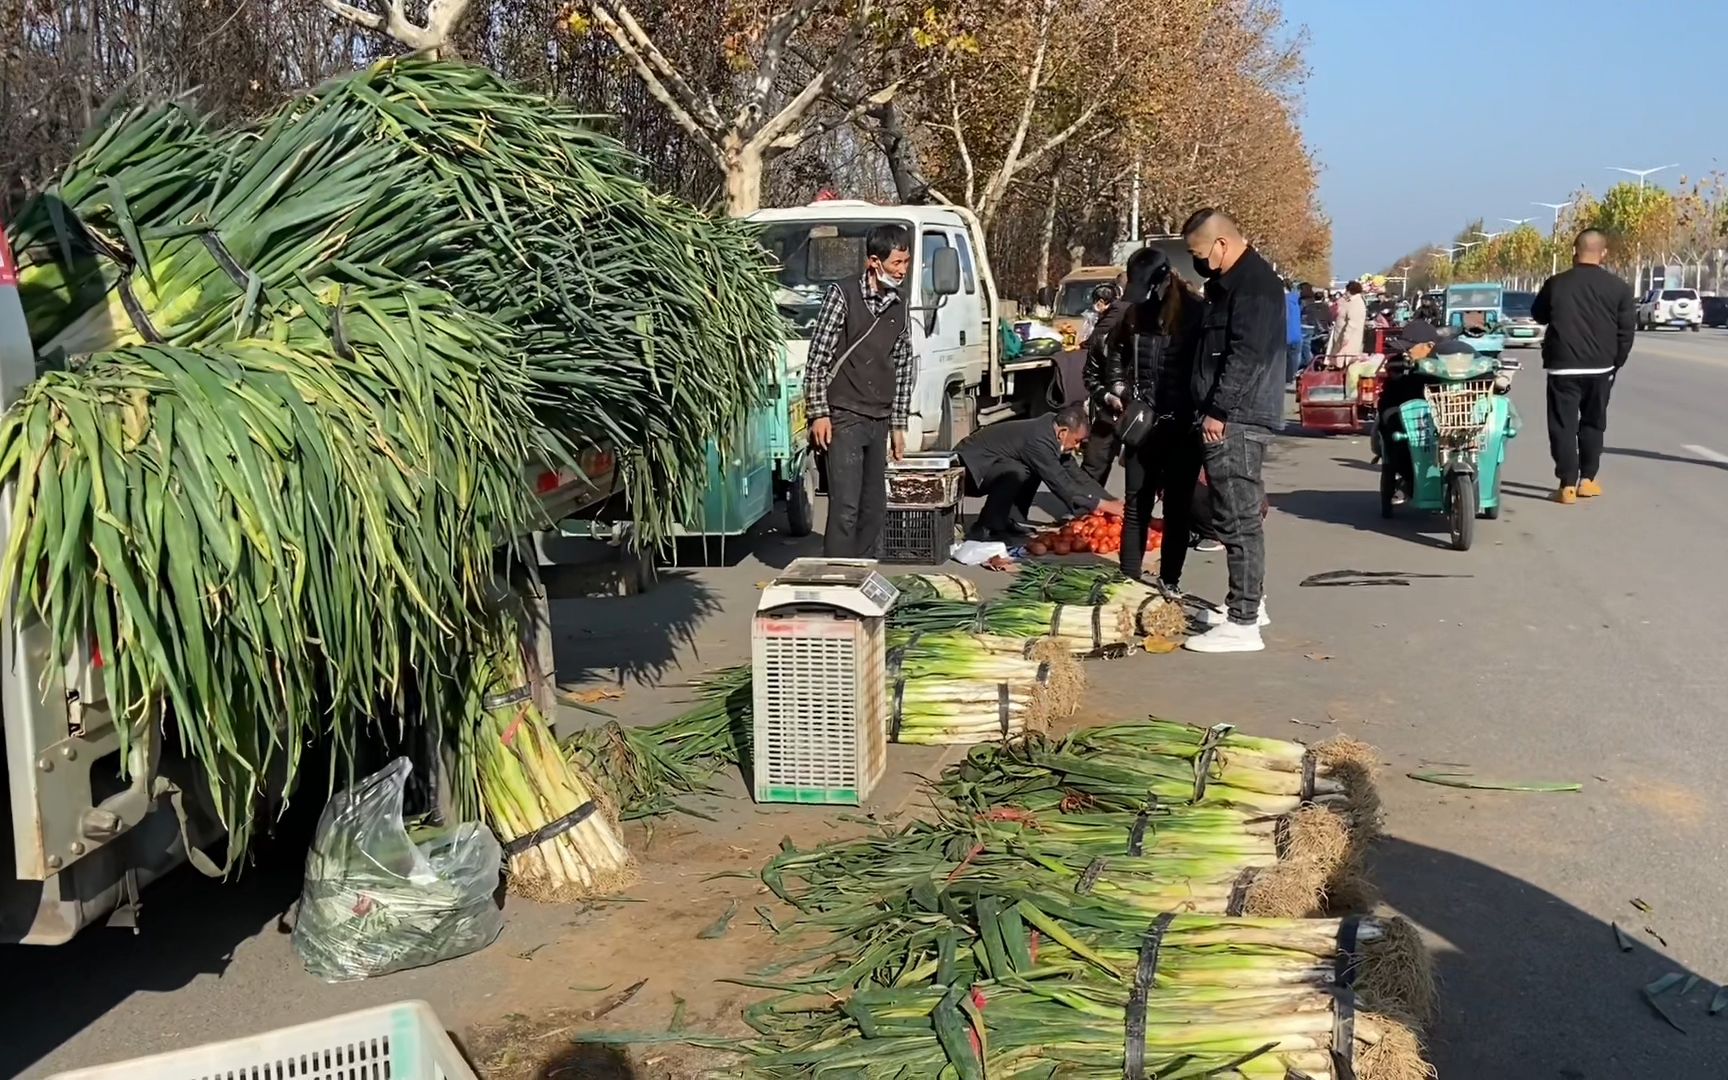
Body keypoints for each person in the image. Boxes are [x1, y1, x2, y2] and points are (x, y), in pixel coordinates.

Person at [1181, 207, 1287, 653]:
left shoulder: (1254, 286)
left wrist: (1219, 411)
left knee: (1238, 518)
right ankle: (1249, 603)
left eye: (1198, 252)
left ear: (1220, 244)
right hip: (1233, 415)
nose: (1197, 261)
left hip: (1237, 418)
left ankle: (1243, 622)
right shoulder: (1233, 283)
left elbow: (1244, 355)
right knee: (1232, 514)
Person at [804, 224, 915, 557]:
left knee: (874, 508)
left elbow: (903, 364)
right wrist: (818, 414)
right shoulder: (843, 295)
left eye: (906, 262)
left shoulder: (899, 304)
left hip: (878, 417)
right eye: (897, 263)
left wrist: (898, 425)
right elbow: (818, 359)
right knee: (845, 509)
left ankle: (861, 571)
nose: (903, 270)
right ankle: (836, 575)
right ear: (874, 262)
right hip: (844, 415)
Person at [1104, 246, 1205, 584]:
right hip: (1143, 424)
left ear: (1164, 279)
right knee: (1136, 508)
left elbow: (1209, 366)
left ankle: (1169, 582)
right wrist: (1119, 389)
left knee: (1177, 511)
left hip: (1183, 426)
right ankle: (1128, 580)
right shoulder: (1133, 313)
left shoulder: (1194, 312)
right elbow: (1112, 355)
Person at [1531, 228, 1636, 503]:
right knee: (1593, 423)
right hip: (1601, 368)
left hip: (1562, 367)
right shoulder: (1619, 288)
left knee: (1563, 426)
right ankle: (1587, 480)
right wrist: (1616, 363)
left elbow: (1538, 315)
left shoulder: (1556, 283)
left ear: (1574, 251)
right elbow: (1626, 332)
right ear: (1604, 253)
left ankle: (1566, 484)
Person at [955, 403, 1125, 542]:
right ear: (1063, 433)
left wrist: (1112, 501)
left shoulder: (1052, 433)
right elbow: (1062, 485)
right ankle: (986, 527)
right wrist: (1103, 505)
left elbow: (1078, 476)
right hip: (968, 471)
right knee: (1018, 471)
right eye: (1077, 441)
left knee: (1028, 469)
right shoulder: (1039, 441)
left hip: (991, 466)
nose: (1078, 447)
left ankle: (1010, 519)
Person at [1079, 280, 1129, 485]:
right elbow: (1090, 375)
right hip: (1109, 407)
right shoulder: (1102, 338)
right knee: (1096, 458)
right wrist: (1108, 396)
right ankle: (1086, 507)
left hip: (1141, 407)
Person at [1327, 280, 1368, 358]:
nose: (1345, 292)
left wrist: (1346, 337)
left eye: (1347, 290)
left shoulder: (1356, 303)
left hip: (1348, 339)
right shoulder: (1352, 301)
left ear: (1350, 291)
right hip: (1345, 337)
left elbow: (1352, 323)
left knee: (1344, 360)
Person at [1284, 280, 1307, 389]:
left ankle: (1286, 380)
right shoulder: (1297, 299)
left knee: (1283, 359)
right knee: (1293, 359)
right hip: (1296, 335)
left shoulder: (1279, 300)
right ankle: (1291, 379)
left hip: (1283, 335)